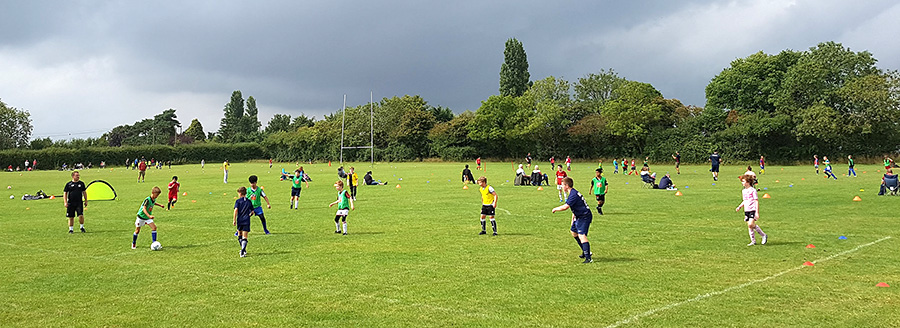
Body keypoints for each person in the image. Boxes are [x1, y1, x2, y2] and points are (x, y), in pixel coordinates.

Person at [552, 177, 593, 263]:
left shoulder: (573, 194)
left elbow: (566, 207)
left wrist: (555, 209)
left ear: (567, 186)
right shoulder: (572, 193)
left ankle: (588, 258)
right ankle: (586, 251)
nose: (562, 187)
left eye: (563, 185)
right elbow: (575, 207)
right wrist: (573, 219)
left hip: (584, 216)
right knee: (574, 232)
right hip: (579, 215)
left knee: (582, 235)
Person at [736, 174, 767, 246]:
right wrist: (739, 206)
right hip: (746, 210)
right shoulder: (743, 191)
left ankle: (763, 235)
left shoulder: (753, 190)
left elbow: (756, 201)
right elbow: (745, 200)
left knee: (751, 224)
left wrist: (757, 212)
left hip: (752, 209)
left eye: (743, 181)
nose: (742, 183)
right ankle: (753, 241)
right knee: (750, 226)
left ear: (748, 182)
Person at [233, 186, 254, 257]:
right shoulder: (249, 201)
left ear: (240, 193)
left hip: (240, 220)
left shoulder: (238, 201)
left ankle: (242, 250)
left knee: (240, 235)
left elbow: (236, 210)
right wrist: (250, 214)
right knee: (245, 237)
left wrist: (234, 220)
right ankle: (243, 250)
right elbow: (252, 211)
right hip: (247, 220)